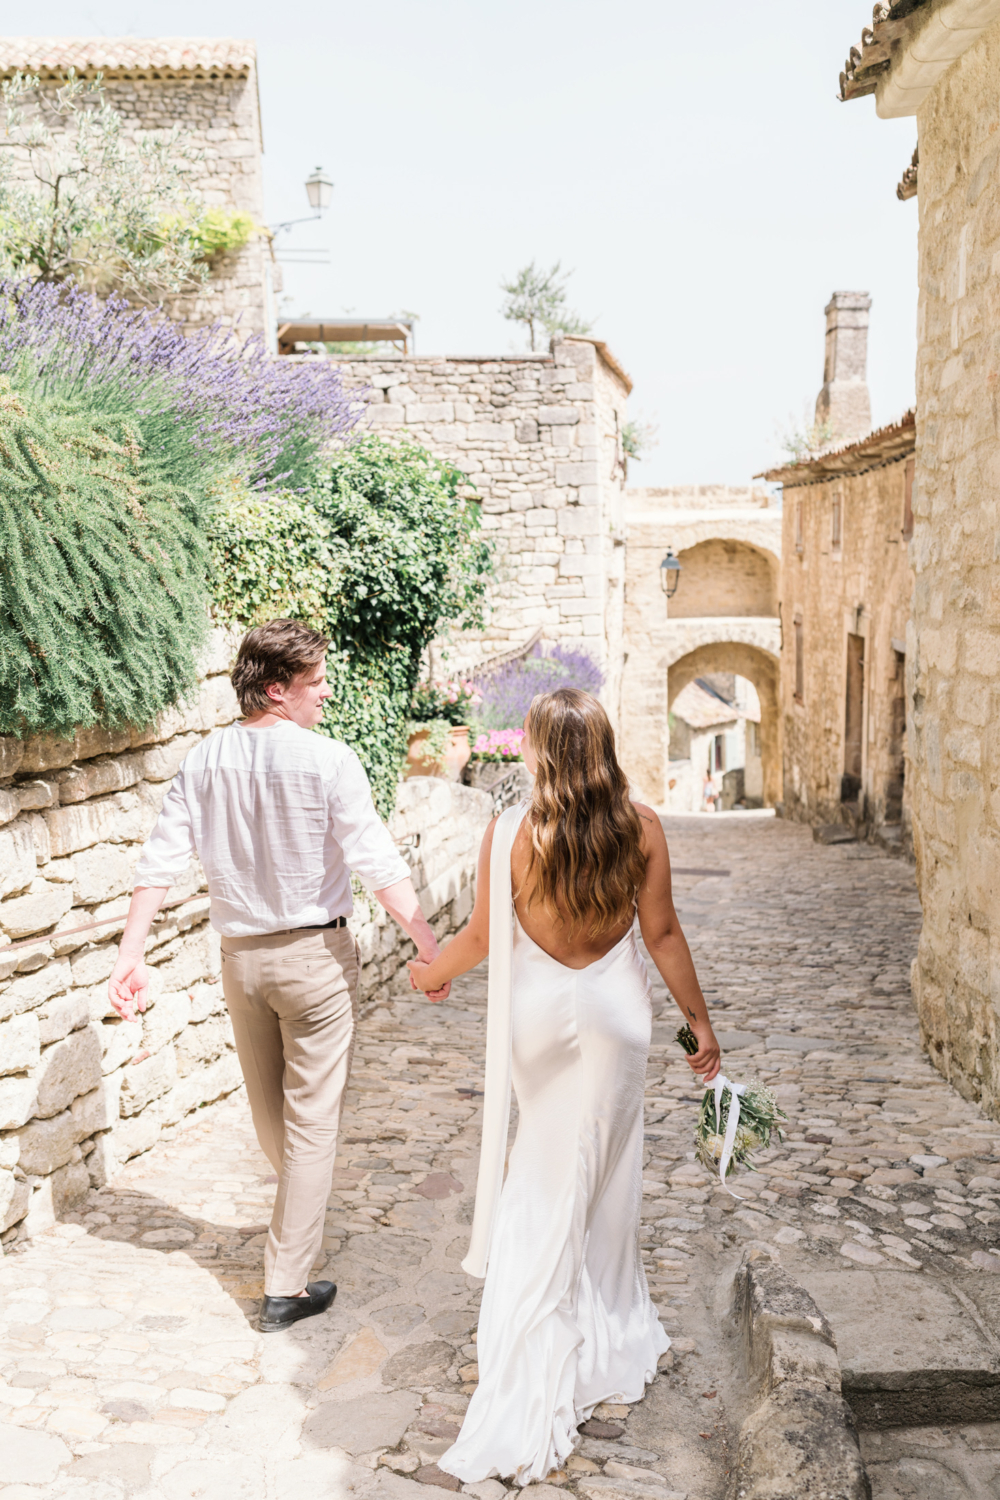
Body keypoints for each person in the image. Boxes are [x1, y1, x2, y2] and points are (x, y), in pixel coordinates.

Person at [408, 687, 721, 1486]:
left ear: (538, 751)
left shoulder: (508, 832)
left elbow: (481, 937)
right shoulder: (641, 827)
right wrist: (700, 1028)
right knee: (606, 1173)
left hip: (540, 1018)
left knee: (545, 1170)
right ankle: (604, 1316)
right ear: (606, 746)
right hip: (616, 1015)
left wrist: (429, 974)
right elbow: (662, 934)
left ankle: (540, 1321)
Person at [108, 619, 448, 1334]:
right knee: (308, 1123)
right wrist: (426, 943)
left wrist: (129, 954)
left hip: (242, 963)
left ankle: (291, 1238)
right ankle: (285, 1288)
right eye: (315, 682)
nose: (326, 692)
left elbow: (161, 862)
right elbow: (378, 864)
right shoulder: (329, 761)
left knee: (274, 1113)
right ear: (276, 690)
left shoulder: (203, 761)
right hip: (313, 962)